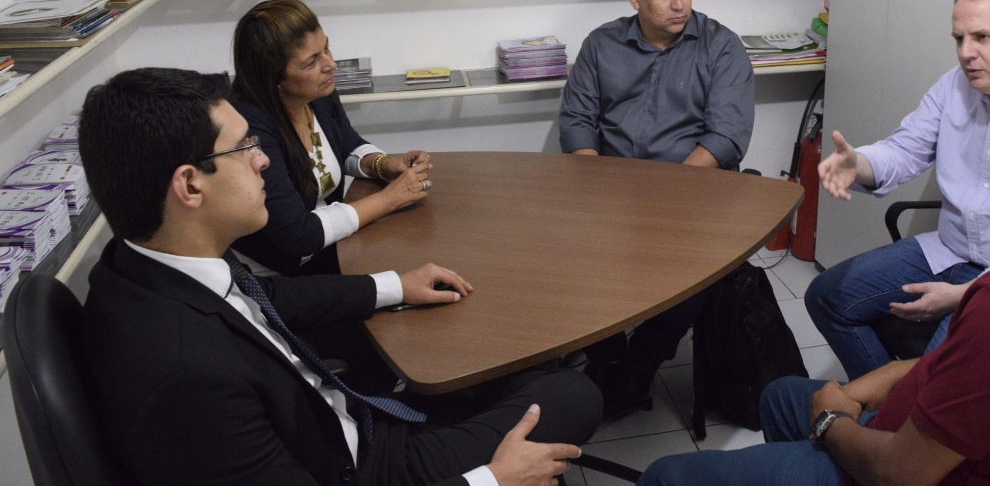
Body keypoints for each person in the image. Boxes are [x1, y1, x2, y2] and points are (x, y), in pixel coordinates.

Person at [639, 44, 990, 486]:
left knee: (665, 476)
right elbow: (973, 373)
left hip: (902, 471)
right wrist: (863, 392)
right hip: (939, 435)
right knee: (781, 396)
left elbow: (902, 472)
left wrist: (831, 421)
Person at [78, 67, 602, 486]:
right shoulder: (185, 377)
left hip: (342, 421)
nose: (263, 161)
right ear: (190, 186)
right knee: (573, 395)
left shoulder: (146, 261)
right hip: (359, 465)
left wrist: (394, 285)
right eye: (244, 148)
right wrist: (490, 479)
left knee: (513, 362)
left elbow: (265, 298)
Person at [805, 0, 990, 379]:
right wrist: (859, 164)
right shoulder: (954, 86)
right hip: (949, 248)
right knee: (827, 297)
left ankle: (901, 424)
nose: (966, 53)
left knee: (936, 375)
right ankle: (884, 419)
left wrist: (964, 296)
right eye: (958, 38)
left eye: (983, 37)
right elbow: (905, 148)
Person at [558, 0, 754, 419]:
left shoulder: (720, 45)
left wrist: (666, 195)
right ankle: (606, 352)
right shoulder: (602, 44)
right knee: (566, 251)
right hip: (609, 187)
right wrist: (593, 181)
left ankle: (639, 367)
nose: (680, 4)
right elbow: (577, 121)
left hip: (689, 191)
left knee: (694, 273)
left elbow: (726, 137)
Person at [230, 0, 432, 277]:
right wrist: (389, 199)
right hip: (278, 274)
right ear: (272, 77)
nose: (331, 64)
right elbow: (297, 235)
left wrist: (383, 164)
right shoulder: (248, 129)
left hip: (329, 249)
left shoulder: (316, 93)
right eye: (312, 61)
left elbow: (345, 143)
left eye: (326, 47)